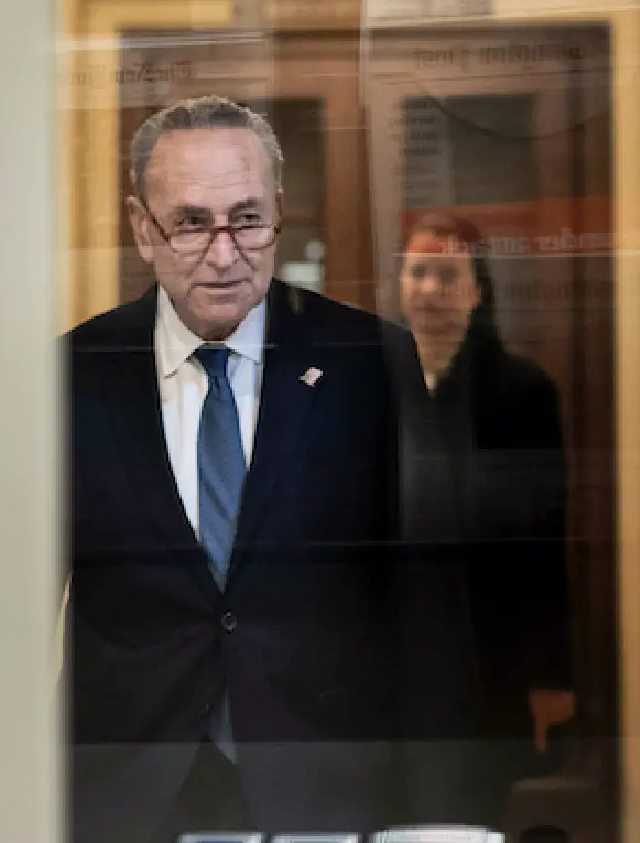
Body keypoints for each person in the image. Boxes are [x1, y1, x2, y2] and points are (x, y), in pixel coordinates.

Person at [64, 96, 477, 843]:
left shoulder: (368, 362)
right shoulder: (74, 372)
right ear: (141, 228)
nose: (225, 255)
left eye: (247, 220)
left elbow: (428, 610)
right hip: (126, 793)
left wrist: (438, 816)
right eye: (192, 223)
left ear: (279, 211)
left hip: (324, 785)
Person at [397, 211, 577, 820]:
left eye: (447, 276)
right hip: (392, 655)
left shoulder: (521, 392)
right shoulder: (370, 384)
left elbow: (544, 545)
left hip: (489, 649)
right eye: (418, 273)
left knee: (472, 812)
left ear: (477, 291)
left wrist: (551, 675)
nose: (429, 290)